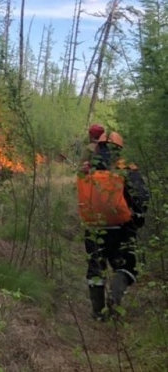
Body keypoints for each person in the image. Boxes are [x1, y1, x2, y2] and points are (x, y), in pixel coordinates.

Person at [81, 131, 149, 320]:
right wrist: (138, 217)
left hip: (93, 226)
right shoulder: (126, 168)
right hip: (121, 227)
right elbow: (141, 197)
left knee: (96, 267)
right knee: (128, 265)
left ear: (99, 146)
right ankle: (115, 295)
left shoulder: (87, 169)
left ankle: (97, 312)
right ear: (119, 149)